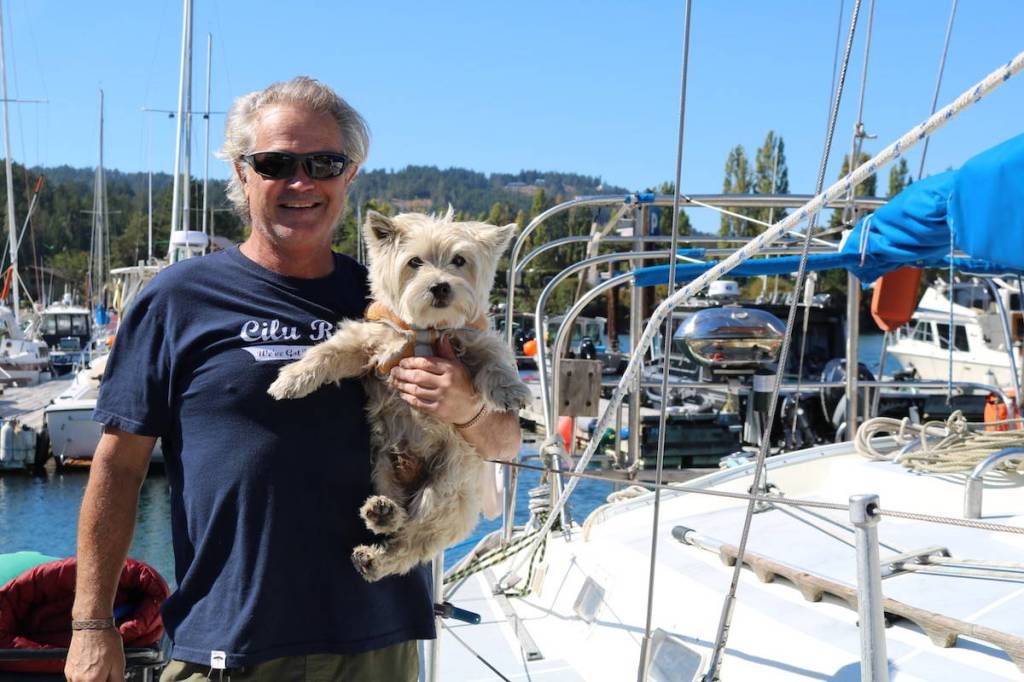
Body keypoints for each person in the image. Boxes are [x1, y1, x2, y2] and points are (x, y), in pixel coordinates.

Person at [65, 76, 522, 682]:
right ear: (242, 173)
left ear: (350, 174)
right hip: (231, 640)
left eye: (324, 163)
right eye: (277, 162)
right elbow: (119, 467)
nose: (302, 182)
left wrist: (466, 407)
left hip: (377, 639)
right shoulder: (179, 298)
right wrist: (91, 624)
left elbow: (505, 444)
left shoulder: (396, 296)